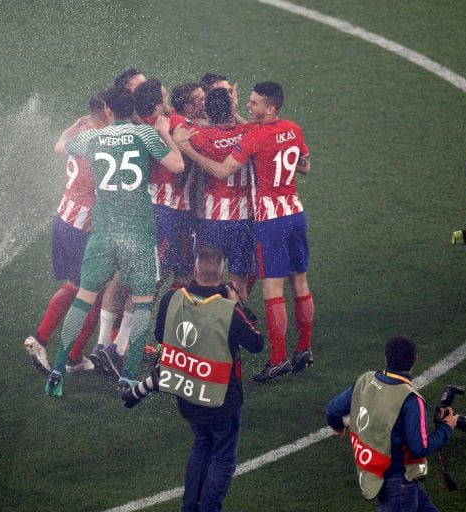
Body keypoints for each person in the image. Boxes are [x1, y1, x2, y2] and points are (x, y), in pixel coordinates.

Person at [45, 85, 184, 396]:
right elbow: (178, 165)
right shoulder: (145, 135)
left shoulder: (92, 138)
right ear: (130, 107)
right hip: (138, 230)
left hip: (104, 230)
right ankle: (129, 375)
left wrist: (76, 122)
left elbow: (60, 146)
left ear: (107, 110)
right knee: (143, 302)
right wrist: (165, 133)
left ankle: (57, 368)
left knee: (83, 299)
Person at [174, 81, 315, 383]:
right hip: (294, 213)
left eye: (254, 103)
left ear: (270, 107)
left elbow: (222, 169)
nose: (248, 107)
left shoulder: (251, 136)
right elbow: (304, 166)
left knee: (271, 290)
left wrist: (187, 148)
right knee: (299, 283)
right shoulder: (290, 128)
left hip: (264, 220)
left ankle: (276, 359)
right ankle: (303, 348)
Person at [122, 246, 263, 512]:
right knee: (222, 459)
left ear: (195, 271)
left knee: (201, 446)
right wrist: (237, 304)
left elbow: (163, 336)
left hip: (186, 394)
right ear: (222, 273)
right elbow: (256, 342)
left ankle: (189, 507)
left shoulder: (171, 298)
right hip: (222, 399)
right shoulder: (226, 309)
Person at [24, 93, 109, 375]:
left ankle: (72, 354)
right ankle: (43, 340)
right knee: (88, 290)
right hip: (80, 226)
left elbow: (58, 146)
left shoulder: (83, 131)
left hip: (64, 218)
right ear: (107, 111)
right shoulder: (102, 141)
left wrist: (74, 125)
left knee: (83, 286)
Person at [326, 335, 457, 511]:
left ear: (386, 358)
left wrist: (338, 426)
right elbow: (420, 448)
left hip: (382, 475)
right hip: (399, 482)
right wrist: (447, 427)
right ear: (415, 361)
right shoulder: (412, 400)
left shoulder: (365, 380)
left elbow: (333, 410)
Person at [187, 87, 255, 300]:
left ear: (208, 111)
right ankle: (235, 326)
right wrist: (234, 111)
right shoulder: (248, 133)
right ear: (231, 108)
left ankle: (207, 325)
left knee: (206, 278)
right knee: (238, 281)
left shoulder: (201, 136)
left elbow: (179, 131)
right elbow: (258, 129)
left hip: (211, 218)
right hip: (241, 218)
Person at [135, 79, 197, 291]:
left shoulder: (132, 125)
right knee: (161, 276)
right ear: (157, 106)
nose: (167, 97)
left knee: (134, 277)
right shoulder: (171, 123)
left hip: (135, 205)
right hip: (164, 208)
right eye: (164, 96)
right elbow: (179, 164)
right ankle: (166, 319)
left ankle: (116, 324)